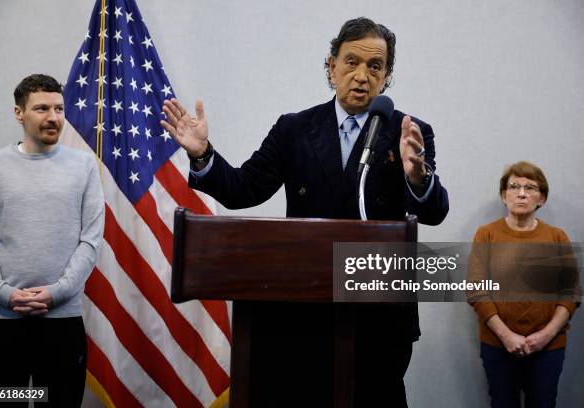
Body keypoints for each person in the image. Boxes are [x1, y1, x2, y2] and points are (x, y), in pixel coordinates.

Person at [161, 17, 449, 407]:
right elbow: (244, 189)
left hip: (379, 316)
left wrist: (418, 178)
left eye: (375, 66)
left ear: (387, 76)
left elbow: (434, 212)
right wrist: (202, 154)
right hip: (301, 313)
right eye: (351, 62)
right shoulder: (294, 128)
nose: (362, 75)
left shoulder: (408, 131)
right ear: (331, 66)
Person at [0, 74, 104, 407]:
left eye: (59, 109)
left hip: (61, 323)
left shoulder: (84, 166)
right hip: (2, 323)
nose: (53, 117)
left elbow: (90, 240)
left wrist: (56, 292)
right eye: (42, 108)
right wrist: (4, 294)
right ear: (19, 113)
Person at [467, 161, 580, 408]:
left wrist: (546, 335)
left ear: (542, 199)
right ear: (503, 195)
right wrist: (506, 336)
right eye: (514, 186)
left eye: (530, 188)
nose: (521, 193)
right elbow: (476, 290)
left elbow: (571, 292)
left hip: (549, 348)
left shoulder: (557, 237)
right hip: (498, 345)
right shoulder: (486, 234)